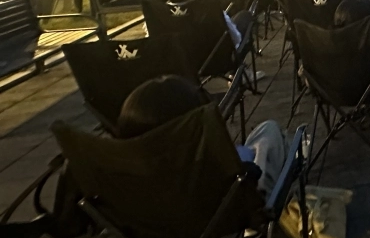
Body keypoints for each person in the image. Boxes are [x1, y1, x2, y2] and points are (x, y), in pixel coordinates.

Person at [118, 76, 287, 193]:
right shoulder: (208, 171)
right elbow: (251, 173)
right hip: (232, 202)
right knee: (269, 132)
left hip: (164, 211)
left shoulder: (127, 185)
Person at [161, 0, 244, 48]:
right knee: (243, 16)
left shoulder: (162, 13)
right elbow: (236, 39)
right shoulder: (209, 7)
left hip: (188, 56)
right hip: (222, 55)